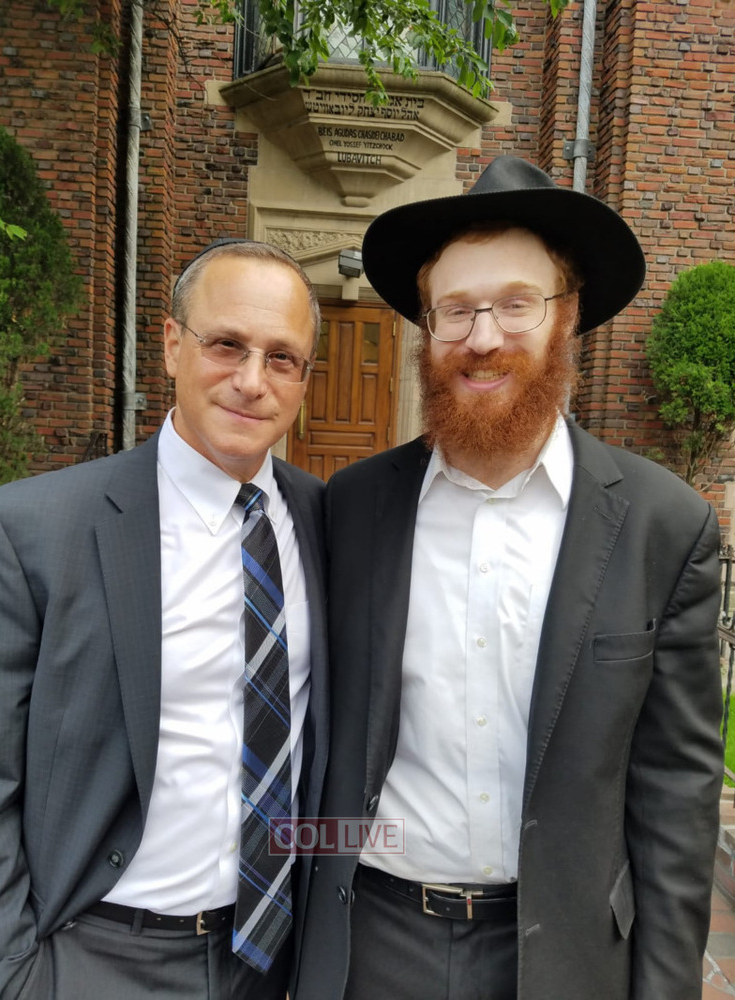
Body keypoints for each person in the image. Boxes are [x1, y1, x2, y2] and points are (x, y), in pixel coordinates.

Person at [294, 156, 723, 1000]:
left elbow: (677, 793)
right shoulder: (354, 507)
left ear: (567, 318)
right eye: (454, 309)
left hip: (563, 957)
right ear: (427, 327)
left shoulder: (661, 526)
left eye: (516, 304)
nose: (482, 337)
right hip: (373, 946)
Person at [0, 239, 328, 1000]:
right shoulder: (31, 532)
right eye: (227, 345)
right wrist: (13, 974)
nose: (251, 381)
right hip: (96, 957)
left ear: (304, 379)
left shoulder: (326, 523)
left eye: (282, 359)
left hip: (275, 961)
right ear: (172, 345)